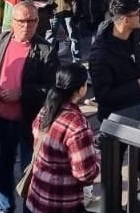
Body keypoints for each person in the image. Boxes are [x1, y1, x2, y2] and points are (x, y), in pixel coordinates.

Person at [0, 0, 57, 213]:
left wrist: (22, 94)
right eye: (22, 21)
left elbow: (51, 90)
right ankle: (4, 208)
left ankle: (29, 209)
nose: (27, 26)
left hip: (29, 122)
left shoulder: (46, 50)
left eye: (32, 21)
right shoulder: (0, 41)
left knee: (30, 173)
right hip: (2, 120)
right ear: (12, 22)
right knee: (3, 170)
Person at [25, 63, 100, 213]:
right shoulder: (77, 124)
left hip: (36, 196)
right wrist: (98, 156)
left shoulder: (46, 110)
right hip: (61, 202)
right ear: (81, 89)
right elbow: (85, 173)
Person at [88, 0, 140, 121]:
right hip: (117, 120)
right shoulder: (100, 55)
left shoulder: (137, 35)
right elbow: (103, 97)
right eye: (137, 14)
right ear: (125, 20)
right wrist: (138, 85)